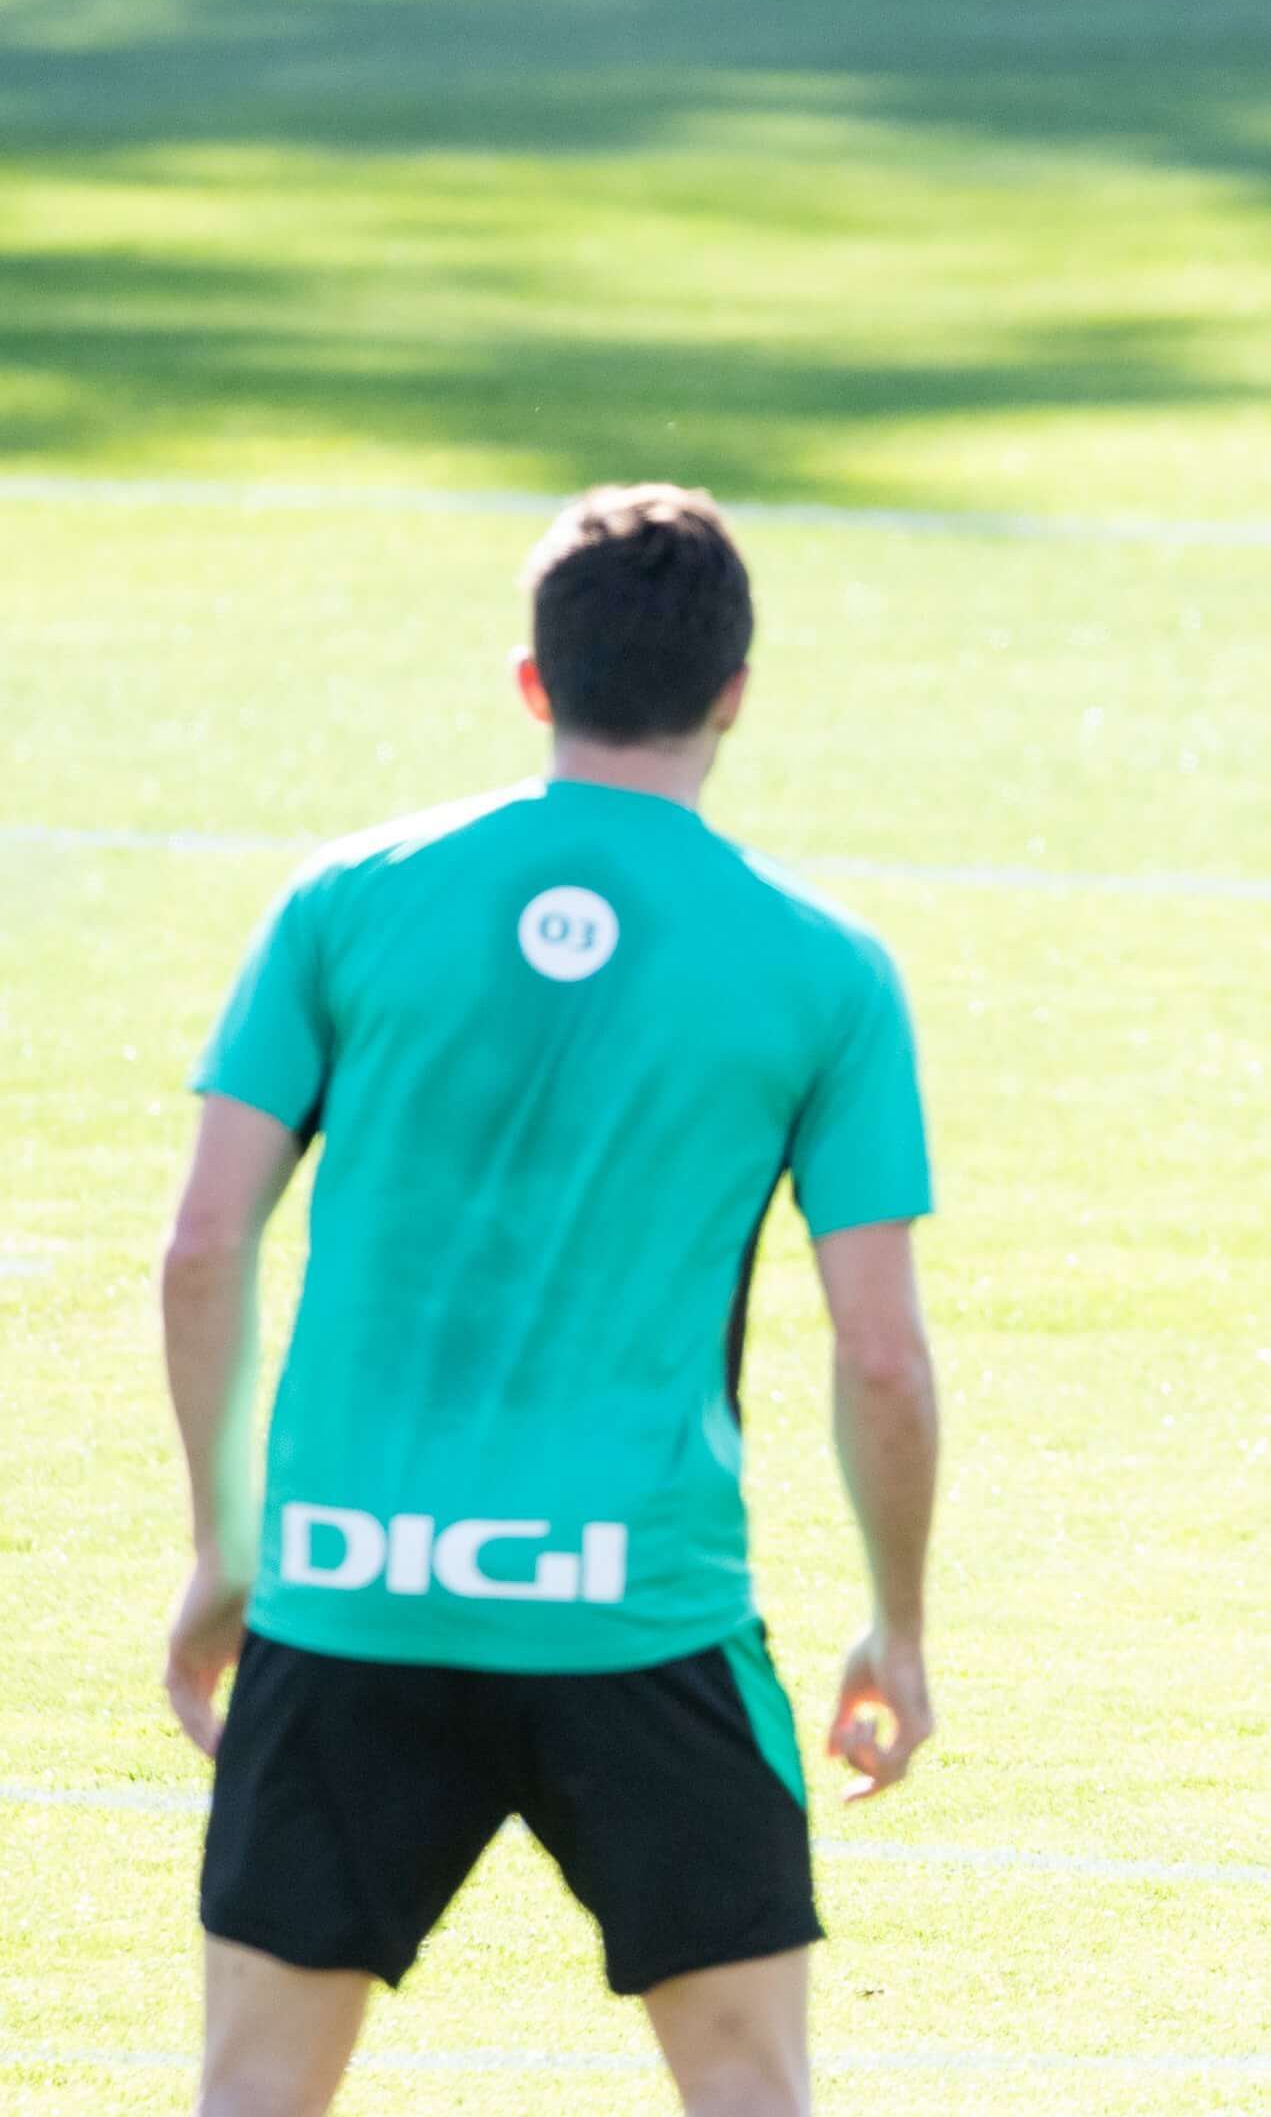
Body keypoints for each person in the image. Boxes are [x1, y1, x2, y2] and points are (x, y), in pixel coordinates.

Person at [160, 485, 943, 2117]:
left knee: (252, 2089)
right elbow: (878, 1351)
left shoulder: (343, 899)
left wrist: (230, 1543)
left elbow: (203, 1245)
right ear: (735, 688)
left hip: (347, 1588)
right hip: (643, 1612)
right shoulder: (822, 965)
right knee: (748, 2084)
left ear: (534, 680)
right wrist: (900, 1615)